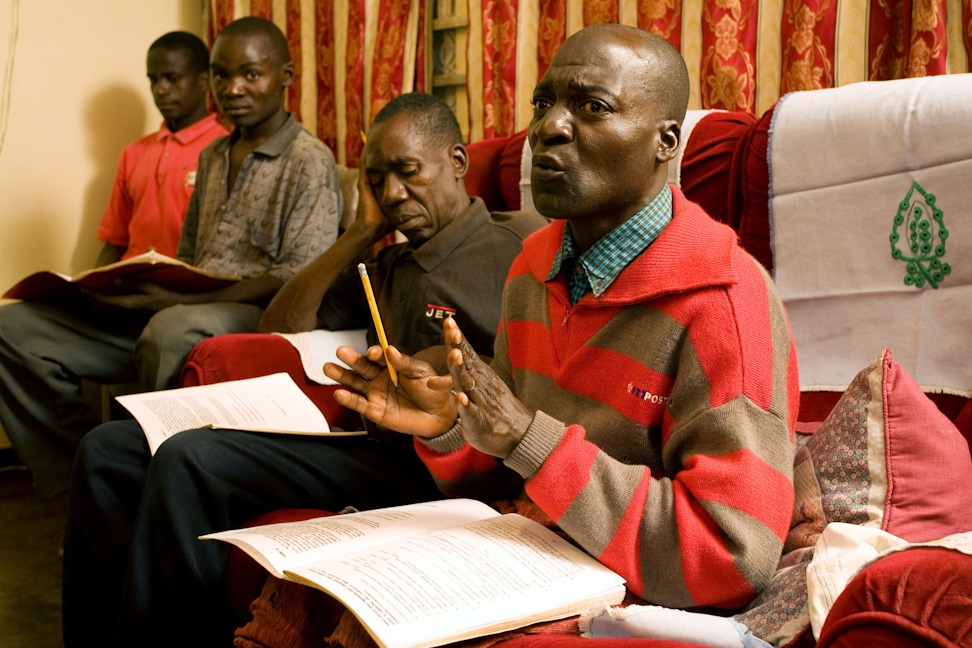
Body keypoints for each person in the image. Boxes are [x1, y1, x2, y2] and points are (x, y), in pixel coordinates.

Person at [324, 23, 800, 616]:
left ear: (666, 142)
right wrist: (449, 425)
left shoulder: (725, 303)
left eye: (592, 106)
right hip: (523, 555)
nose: (548, 127)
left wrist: (530, 439)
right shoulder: (534, 264)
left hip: (621, 601)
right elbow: (505, 472)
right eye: (543, 103)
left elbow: (730, 558)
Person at [61, 92, 546, 648]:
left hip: (440, 465)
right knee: (107, 448)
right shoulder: (389, 262)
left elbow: (534, 377)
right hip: (366, 440)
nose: (392, 194)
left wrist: (454, 373)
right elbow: (282, 320)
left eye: (408, 172)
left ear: (457, 164)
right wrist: (361, 234)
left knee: (191, 459)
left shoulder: (515, 249)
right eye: (377, 179)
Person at [0, 31, 228, 497]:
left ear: (204, 81)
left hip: (178, 319)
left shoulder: (225, 151)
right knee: (9, 327)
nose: (161, 89)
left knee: (169, 334)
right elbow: (114, 244)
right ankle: (83, 481)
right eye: (153, 79)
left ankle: (129, 487)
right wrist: (86, 284)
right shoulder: (135, 153)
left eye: (172, 78)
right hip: (120, 315)